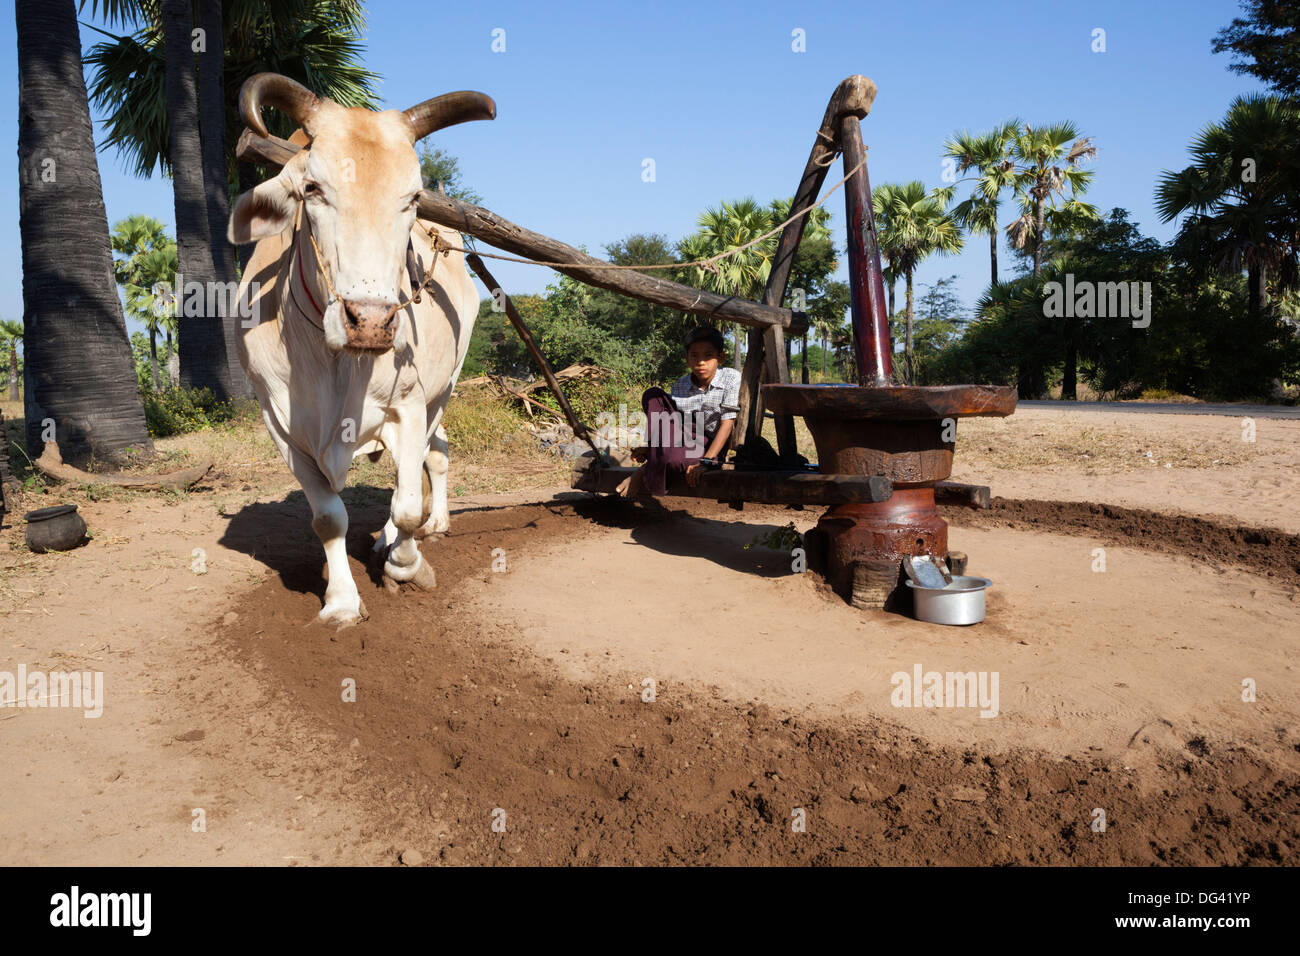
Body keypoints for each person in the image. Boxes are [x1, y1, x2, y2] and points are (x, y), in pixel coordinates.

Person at [618, 326, 741, 498]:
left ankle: (640, 473)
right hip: (683, 436)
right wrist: (652, 443)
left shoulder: (731, 378)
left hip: (709, 445)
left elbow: (727, 423)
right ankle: (653, 449)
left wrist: (707, 461)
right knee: (653, 395)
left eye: (708, 355)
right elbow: (667, 421)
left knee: (672, 460)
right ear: (687, 358)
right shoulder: (680, 385)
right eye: (695, 355)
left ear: (721, 357)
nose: (701, 362)